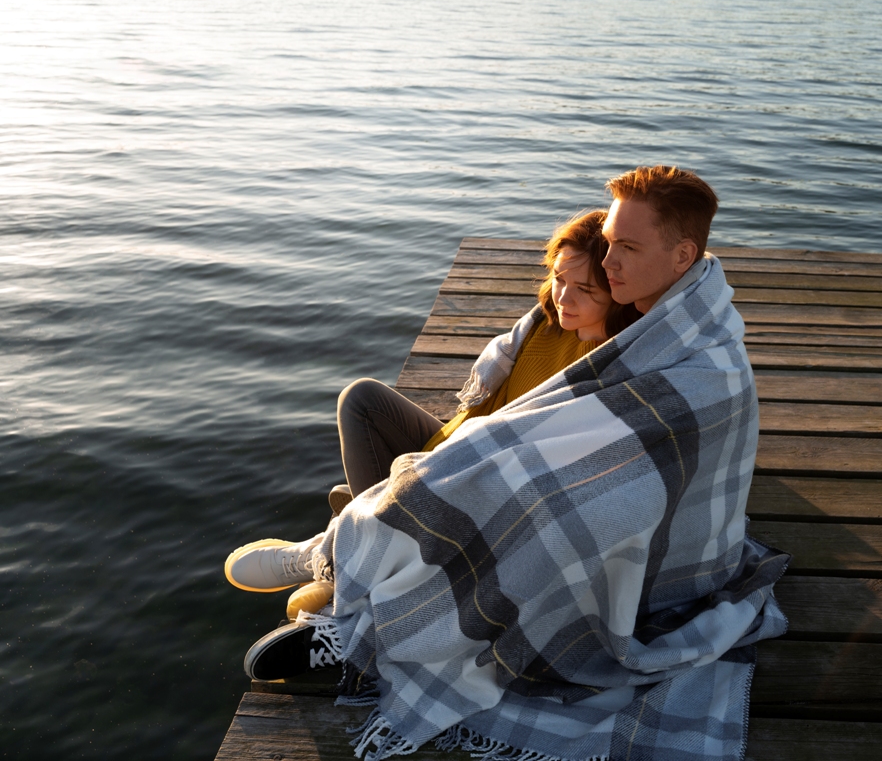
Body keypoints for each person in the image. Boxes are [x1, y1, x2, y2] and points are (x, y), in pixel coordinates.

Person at [224, 166, 788, 761]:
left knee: (529, 504)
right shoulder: (651, 318)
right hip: (598, 490)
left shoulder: (699, 356)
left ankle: (357, 593)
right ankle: (353, 561)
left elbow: (644, 463)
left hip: (661, 564)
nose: (609, 256)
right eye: (609, 241)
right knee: (471, 469)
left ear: (682, 255)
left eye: (626, 246)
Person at [224, 209, 636, 597]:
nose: (564, 297)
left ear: (617, 291)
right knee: (362, 398)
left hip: (484, 483)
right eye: (560, 278)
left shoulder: (610, 366)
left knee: (381, 484)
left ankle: (342, 548)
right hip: (454, 447)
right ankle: (364, 530)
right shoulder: (542, 325)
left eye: (585, 289)